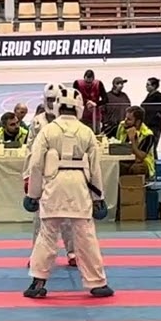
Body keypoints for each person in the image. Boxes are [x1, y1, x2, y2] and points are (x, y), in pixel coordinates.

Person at [22, 85, 113, 299]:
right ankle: (97, 283)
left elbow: (35, 165)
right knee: (86, 235)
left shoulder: (48, 130)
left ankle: (37, 281)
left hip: (53, 186)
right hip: (80, 186)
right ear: (79, 108)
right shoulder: (86, 132)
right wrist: (98, 197)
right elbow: (95, 168)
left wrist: (32, 194)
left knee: (47, 235)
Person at [25, 84, 76, 268]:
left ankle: (73, 253)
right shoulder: (37, 122)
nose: (51, 103)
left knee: (69, 218)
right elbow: (30, 151)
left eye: (54, 100)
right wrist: (27, 176)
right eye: (49, 100)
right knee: (40, 220)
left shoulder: (69, 122)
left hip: (65, 174)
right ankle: (37, 256)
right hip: (43, 175)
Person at [122, 105, 157, 177]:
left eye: (129, 119)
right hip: (126, 159)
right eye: (125, 118)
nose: (125, 121)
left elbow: (140, 157)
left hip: (143, 162)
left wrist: (132, 140)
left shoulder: (147, 135)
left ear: (137, 122)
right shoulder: (122, 126)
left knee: (136, 168)